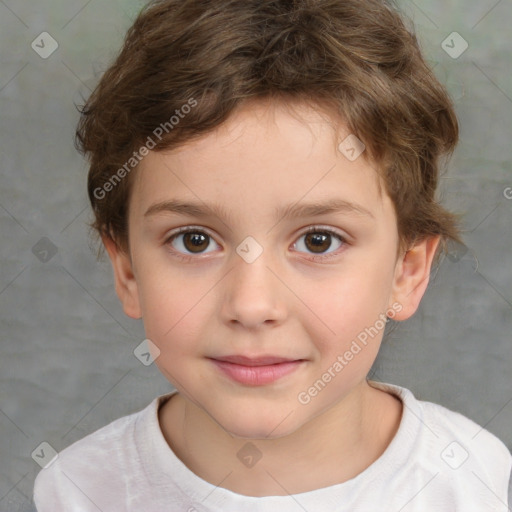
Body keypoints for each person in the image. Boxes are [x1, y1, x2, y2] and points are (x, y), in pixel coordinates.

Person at [33, 0, 511, 510]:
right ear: (127, 270)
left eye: (318, 241)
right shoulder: (78, 490)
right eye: (195, 240)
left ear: (407, 272)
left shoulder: (476, 482)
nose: (253, 304)